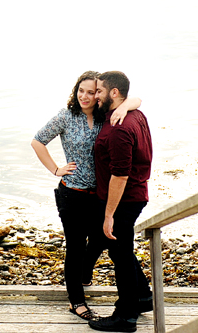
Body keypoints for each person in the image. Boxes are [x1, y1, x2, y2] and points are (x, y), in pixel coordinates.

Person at [31, 71, 142, 322]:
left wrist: (125, 107)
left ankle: (84, 273)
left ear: (99, 94)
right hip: (72, 194)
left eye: (91, 92)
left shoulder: (107, 115)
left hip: (99, 195)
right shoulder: (66, 116)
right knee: (76, 246)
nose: (85, 96)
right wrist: (56, 169)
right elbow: (38, 141)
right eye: (81, 90)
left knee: (102, 240)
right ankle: (77, 302)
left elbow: (136, 99)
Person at [89, 71, 154, 333]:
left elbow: (120, 174)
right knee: (120, 250)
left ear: (114, 93)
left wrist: (109, 214)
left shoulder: (119, 127)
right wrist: (129, 102)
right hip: (136, 194)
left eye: (99, 92)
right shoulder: (133, 114)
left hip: (125, 199)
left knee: (122, 255)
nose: (95, 96)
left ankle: (125, 316)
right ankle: (143, 297)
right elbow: (137, 100)